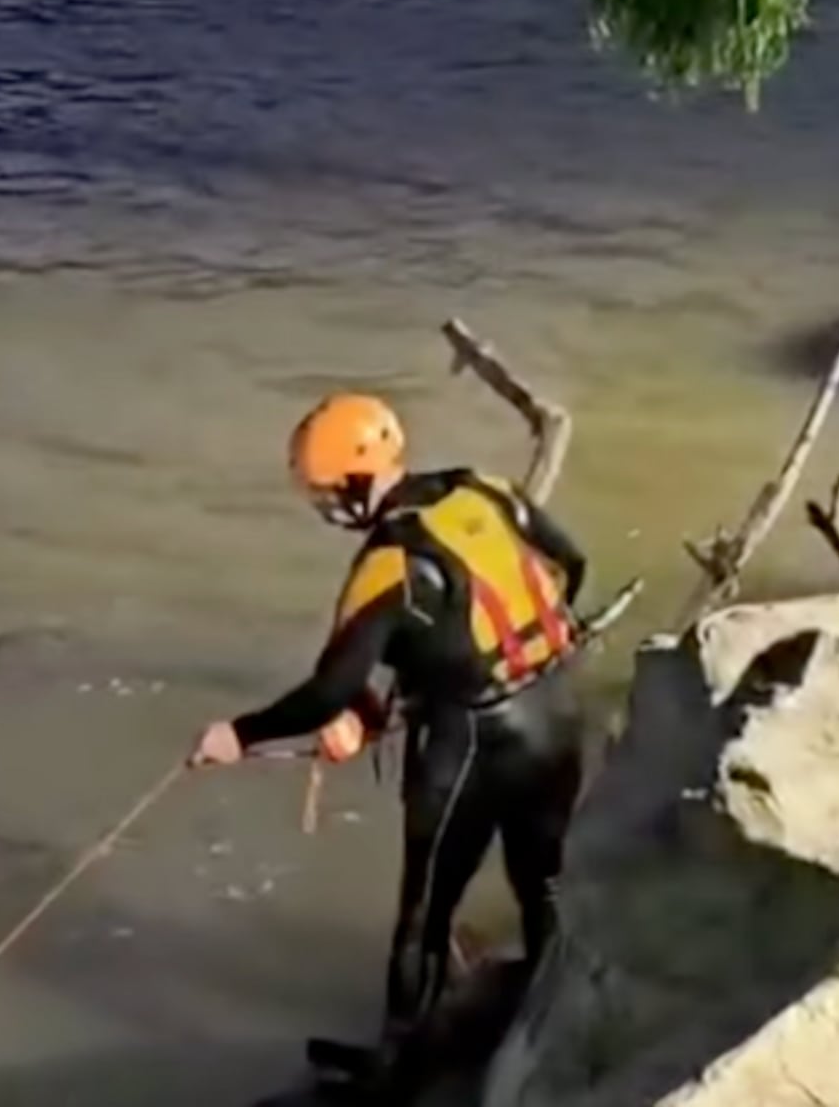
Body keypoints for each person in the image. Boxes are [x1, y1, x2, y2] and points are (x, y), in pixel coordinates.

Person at [188, 392, 588, 1095]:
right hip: (556, 709)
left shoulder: (390, 563)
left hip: (470, 742)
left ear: (350, 484)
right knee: (543, 878)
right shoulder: (483, 488)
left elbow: (329, 692)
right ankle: (553, 1025)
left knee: (424, 915)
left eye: (323, 495)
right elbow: (571, 564)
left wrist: (237, 735)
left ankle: (396, 1075)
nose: (324, 511)